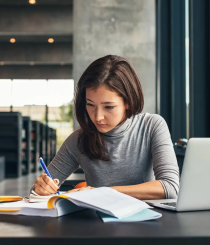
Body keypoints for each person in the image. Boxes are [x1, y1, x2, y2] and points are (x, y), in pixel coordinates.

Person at [33, 55, 179, 200]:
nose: (98, 117)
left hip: (147, 220)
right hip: (98, 221)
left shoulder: (151, 126)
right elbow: (35, 195)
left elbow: (170, 187)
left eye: (108, 107)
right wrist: (41, 188)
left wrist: (100, 192)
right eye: (90, 104)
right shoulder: (78, 139)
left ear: (128, 101)